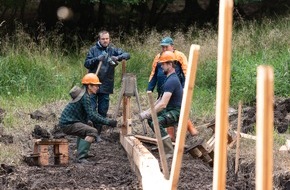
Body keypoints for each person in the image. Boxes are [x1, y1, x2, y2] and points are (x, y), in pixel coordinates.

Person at [59, 73, 118, 164]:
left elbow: (92, 113)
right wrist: (108, 122)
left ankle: (82, 153)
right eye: (96, 85)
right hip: (68, 124)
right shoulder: (85, 97)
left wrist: (107, 121)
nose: (98, 88)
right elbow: (92, 115)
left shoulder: (85, 95)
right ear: (89, 86)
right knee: (92, 131)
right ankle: (81, 157)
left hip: (68, 122)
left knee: (86, 128)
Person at [147, 36, 197, 141]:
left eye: (166, 47)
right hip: (163, 89)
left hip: (176, 89)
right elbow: (154, 73)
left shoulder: (179, 56)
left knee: (177, 110)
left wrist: (185, 88)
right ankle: (170, 137)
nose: (164, 49)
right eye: (163, 47)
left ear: (172, 46)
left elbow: (186, 72)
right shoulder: (159, 57)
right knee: (165, 109)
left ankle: (191, 130)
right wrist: (150, 87)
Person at [84, 30, 130, 141]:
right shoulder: (93, 50)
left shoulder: (112, 50)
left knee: (103, 110)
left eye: (107, 39)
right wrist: (97, 59)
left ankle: (98, 134)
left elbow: (127, 55)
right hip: (93, 84)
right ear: (99, 39)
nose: (105, 41)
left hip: (106, 84)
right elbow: (86, 63)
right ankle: (91, 133)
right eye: (103, 39)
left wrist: (118, 58)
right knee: (91, 109)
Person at [139, 51, 183, 158]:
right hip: (169, 109)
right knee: (151, 119)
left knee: (157, 123)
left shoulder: (172, 81)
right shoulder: (168, 79)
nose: (161, 67)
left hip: (176, 111)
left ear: (170, 64)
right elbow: (159, 99)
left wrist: (148, 113)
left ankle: (169, 151)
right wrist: (148, 112)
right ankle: (162, 145)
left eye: (163, 64)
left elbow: (163, 104)